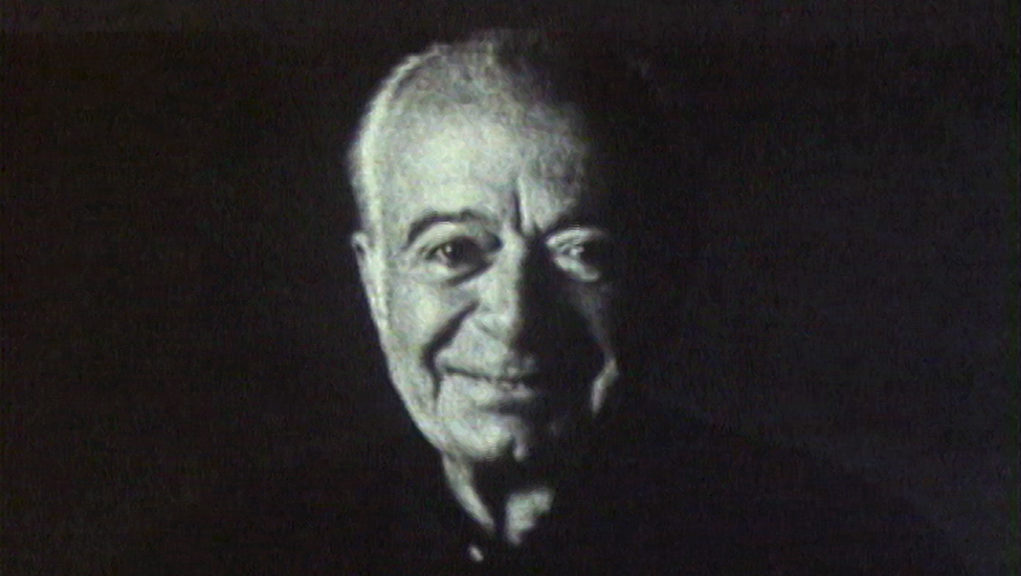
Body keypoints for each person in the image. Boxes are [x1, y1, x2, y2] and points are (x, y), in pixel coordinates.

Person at [120, 29, 967, 575]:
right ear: (376, 284)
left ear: (660, 280)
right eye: (452, 252)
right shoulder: (223, 554)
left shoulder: (852, 551)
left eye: (581, 254)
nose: (516, 319)